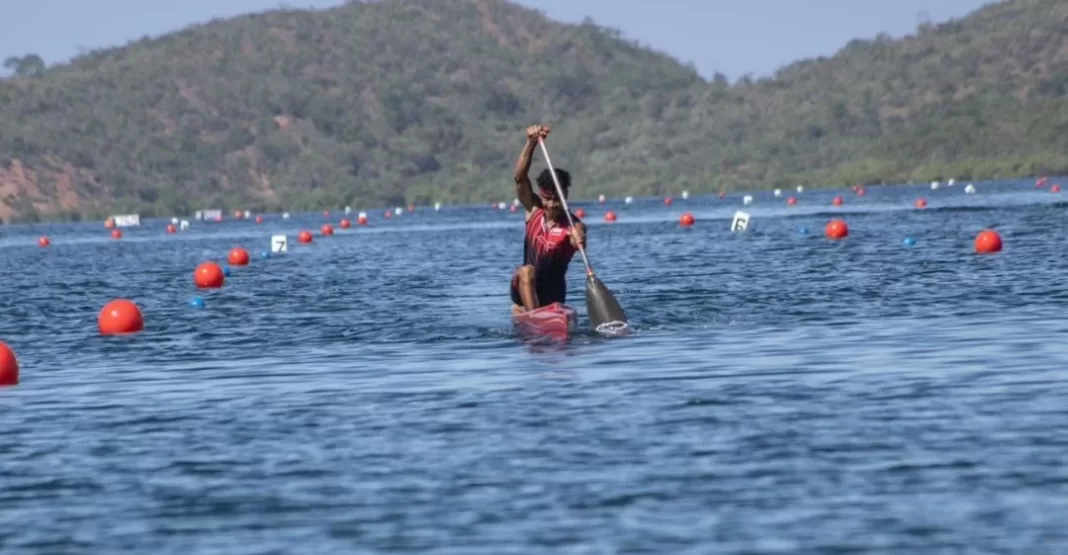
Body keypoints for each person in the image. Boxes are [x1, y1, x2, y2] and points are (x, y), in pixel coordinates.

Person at [510, 124, 586, 314]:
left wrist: (578, 240)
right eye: (547, 199)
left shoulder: (573, 224)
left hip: (554, 295)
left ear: (565, 195)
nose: (551, 205)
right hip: (523, 288)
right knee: (526, 271)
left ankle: (535, 315)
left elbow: (578, 236)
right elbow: (519, 178)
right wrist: (531, 143)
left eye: (556, 199)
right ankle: (533, 316)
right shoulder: (534, 209)